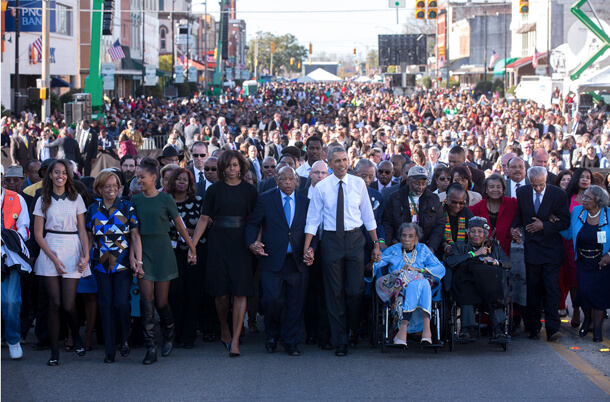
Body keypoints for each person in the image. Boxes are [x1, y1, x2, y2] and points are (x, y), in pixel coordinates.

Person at [303, 146, 381, 357]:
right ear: (328, 163)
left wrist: (375, 244)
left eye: (345, 160)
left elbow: (368, 216)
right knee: (334, 292)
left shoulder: (358, 184)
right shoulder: (322, 187)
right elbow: (313, 219)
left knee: (355, 291)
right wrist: (307, 247)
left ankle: (352, 329)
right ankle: (340, 340)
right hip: (331, 240)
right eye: (337, 161)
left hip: (356, 239)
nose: (342, 164)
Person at [191, 150, 258, 358]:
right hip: (218, 242)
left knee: (240, 292)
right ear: (222, 168)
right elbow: (203, 219)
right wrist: (193, 247)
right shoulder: (214, 190)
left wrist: (255, 242)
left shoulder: (250, 191)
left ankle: (236, 339)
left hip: (241, 244)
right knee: (221, 294)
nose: (231, 169)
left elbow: (256, 221)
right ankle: (224, 328)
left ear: (241, 167)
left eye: (235, 165)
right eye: (228, 165)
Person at [131, 157, 197, 364]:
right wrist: (135, 258)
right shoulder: (135, 200)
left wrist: (192, 248)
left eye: (142, 177)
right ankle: (151, 347)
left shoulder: (166, 199)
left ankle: (169, 332)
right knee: (146, 300)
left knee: (161, 301)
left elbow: (179, 226)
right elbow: (132, 233)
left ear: (153, 178)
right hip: (144, 252)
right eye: (137, 177)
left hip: (163, 251)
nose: (139, 180)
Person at [246, 166, 313, 356]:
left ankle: (291, 341)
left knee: (295, 303)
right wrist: (252, 243)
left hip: (297, 261)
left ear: (297, 181)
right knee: (272, 300)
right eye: (284, 179)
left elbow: (312, 228)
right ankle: (272, 335)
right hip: (272, 260)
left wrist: (311, 248)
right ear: (277, 180)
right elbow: (253, 224)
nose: (288, 183)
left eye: (291, 179)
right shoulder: (265, 199)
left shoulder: (305, 202)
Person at [32, 159, 91, 366]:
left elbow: (83, 230)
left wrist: (86, 255)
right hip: (50, 249)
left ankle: (76, 337)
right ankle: (54, 352)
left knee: (68, 305)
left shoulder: (76, 198)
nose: (60, 176)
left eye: (64, 172)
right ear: (49, 175)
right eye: (56, 172)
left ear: (69, 175)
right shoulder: (42, 199)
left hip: (72, 247)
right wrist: (54, 258)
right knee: (54, 304)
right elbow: (38, 234)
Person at [86, 170, 142, 363]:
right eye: (107, 186)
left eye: (115, 186)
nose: (112, 189)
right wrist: (85, 257)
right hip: (100, 264)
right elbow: (89, 237)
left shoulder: (128, 207)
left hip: (123, 262)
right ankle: (109, 349)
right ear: (100, 189)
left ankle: (125, 338)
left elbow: (135, 236)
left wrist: (137, 260)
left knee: (122, 303)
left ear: (119, 189)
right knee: (105, 304)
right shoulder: (93, 209)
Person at [511, 166, 570, 342]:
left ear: (547, 180)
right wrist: (515, 229)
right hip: (532, 249)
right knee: (534, 288)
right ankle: (533, 327)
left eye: (541, 185)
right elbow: (519, 217)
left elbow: (565, 222)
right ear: (529, 181)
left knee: (552, 288)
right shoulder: (522, 193)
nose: (537, 188)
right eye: (534, 185)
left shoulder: (558, 194)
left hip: (551, 248)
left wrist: (544, 226)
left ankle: (552, 328)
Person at [365, 222, 445, 347]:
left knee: (419, 281)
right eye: (404, 236)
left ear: (416, 238)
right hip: (399, 287)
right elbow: (376, 265)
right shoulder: (393, 250)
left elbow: (439, 268)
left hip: (419, 285)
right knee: (417, 281)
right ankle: (426, 331)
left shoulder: (423, 249)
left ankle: (402, 332)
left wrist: (418, 270)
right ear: (399, 237)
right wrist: (371, 261)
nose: (407, 239)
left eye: (410, 236)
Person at [445, 217, 512, 341]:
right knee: (466, 290)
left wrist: (495, 261)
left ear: (485, 234)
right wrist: (473, 254)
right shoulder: (460, 246)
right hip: (467, 285)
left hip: (489, 285)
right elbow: (450, 261)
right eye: (473, 231)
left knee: (494, 290)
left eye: (480, 231)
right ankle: (465, 329)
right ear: (468, 233)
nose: (476, 234)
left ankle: (498, 329)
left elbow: (508, 263)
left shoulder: (494, 247)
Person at [561, 185, 610, 343]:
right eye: (584, 197)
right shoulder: (577, 212)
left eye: (588, 198)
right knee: (584, 293)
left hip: (602, 263)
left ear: (598, 201)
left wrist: (609, 255)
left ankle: (597, 330)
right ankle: (587, 320)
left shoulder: (608, 214)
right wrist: (555, 225)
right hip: (583, 262)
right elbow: (569, 233)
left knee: (599, 296)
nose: (584, 200)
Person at [165, 168, 206, 349]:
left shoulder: (198, 202)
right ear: (172, 182)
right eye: (178, 179)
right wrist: (190, 230)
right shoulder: (165, 202)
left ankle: (188, 336)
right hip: (171, 255)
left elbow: (204, 227)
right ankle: (175, 333)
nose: (182, 182)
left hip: (194, 253)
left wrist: (187, 233)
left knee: (193, 294)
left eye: (185, 180)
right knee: (175, 294)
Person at [1, 165, 31, 360]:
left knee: (11, 301)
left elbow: (25, 229)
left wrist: (6, 239)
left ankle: (13, 339)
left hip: (9, 258)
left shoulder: (16, 198)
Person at [383, 165, 444, 251]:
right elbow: (387, 223)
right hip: (400, 245)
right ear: (408, 181)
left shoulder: (433, 199)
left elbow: (439, 224)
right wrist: (387, 245)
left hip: (424, 246)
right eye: (417, 183)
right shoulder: (395, 198)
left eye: (423, 184)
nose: (420, 187)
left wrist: (432, 247)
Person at [469, 174, 518, 256]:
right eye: (491, 187)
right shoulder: (476, 208)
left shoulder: (512, 204)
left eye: (498, 187)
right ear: (486, 189)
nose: (495, 190)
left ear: (503, 189)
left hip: (505, 252)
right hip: (483, 252)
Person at [439, 183, 475, 259]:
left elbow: (474, 227)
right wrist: (445, 245)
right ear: (447, 198)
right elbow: (435, 231)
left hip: (462, 254)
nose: (457, 206)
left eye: (461, 203)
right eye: (454, 202)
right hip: (440, 253)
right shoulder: (438, 209)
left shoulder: (466, 212)